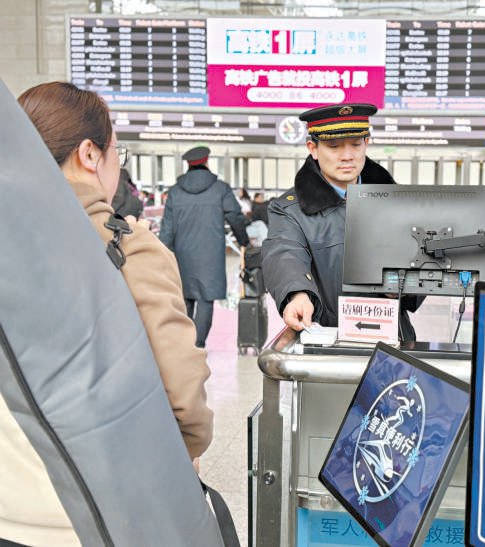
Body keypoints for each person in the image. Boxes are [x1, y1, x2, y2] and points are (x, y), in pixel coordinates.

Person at [12, 81, 212, 546]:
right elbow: (183, 400)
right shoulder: (128, 247)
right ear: (89, 154)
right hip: (96, 519)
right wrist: (185, 453)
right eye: (115, 151)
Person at [262, 103, 422, 340]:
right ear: (313, 149)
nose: (347, 156)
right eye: (334, 146)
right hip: (325, 343)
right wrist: (297, 294)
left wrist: (403, 287)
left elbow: (420, 259)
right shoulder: (289, 210)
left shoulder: (397, 203)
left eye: (356, 145)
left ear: (366, 144)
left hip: (393, 344)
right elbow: (284, 253)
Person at [159, 145, 250, 347]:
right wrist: (244, 241)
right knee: (206, 299)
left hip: (182, 255)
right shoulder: (220, 189)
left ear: (188, 165)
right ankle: (198, 344)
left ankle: (183, 344)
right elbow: (235, 217)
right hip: (211, 255)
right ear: (206, 162)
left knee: (185, 297)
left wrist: (162, 257)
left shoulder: (175, 192)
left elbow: (166, 229)